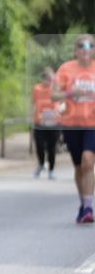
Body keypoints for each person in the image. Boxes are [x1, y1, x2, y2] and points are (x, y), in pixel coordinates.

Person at [54, 34, 95, 224]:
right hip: (72, 124)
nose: (86, 49)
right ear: (75, 50)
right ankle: (83, 204)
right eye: (82, 45)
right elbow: (54, 95)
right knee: (79, 167)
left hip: (93, 124)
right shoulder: (65, 69)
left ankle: (88, 207)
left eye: (90, 45)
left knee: (88, 161)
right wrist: (71, 93)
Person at [32, 66, 61, 181]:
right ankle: (41, 164)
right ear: (43, 78)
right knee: (39, 145)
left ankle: (51, 170)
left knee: (51, 148)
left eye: (51, 78)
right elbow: (33, 104)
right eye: (47, 78)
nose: (49, 80)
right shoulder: (37, 89)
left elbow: (62, 104)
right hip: (40, 122)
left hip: (54, 123)